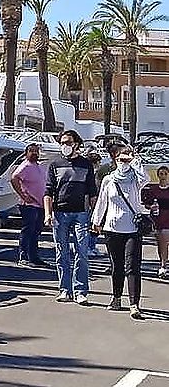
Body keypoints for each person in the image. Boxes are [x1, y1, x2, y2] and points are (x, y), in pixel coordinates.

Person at [90, 147, 149, 319]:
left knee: (132, 267)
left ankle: (134, 304)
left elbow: (145, 177)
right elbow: (102, 201)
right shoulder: (109, 179)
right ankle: (116, 298)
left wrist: (135, 160)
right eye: (120, 159)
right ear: (115, 160)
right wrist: (96, 221)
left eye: (126, 160)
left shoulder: (136, 180)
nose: (123, 163)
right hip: (112, 228)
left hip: (132, 229)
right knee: (117, 266)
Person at [44, 129, 97, 305]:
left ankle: (80, 290)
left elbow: (92, 192)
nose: (64, 145)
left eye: (68, 142)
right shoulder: (55, 164)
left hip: (81, 213)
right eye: (62, 142)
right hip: (60, 213)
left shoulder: (85, 165)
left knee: (81, 252)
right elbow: (48, 192)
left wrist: (95, 216)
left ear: (76, 144)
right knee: (62, 252)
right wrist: (47, 213)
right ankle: (64, 289)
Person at [10, 143, 48, 266]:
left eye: (36, 151)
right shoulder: (25, 166)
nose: (34, 153)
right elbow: (14, 178)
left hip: (40, 204)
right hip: (29, 205)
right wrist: (23, 195)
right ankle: (23, 256)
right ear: (26, 153)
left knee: (36, 231)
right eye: (31, 151)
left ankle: (34, 257)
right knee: (28, 230)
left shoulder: (38, 166)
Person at [142, 165, 169, 278]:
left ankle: (164, 265)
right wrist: (151, 207)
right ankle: (163, 265)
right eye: (161, 174)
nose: (163, 176)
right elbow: (147, 204)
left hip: (168, 220)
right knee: (161, 244)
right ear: (158, 176)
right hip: (158, 220)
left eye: (165, 174)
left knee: (165, 239)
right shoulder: (153, 190)